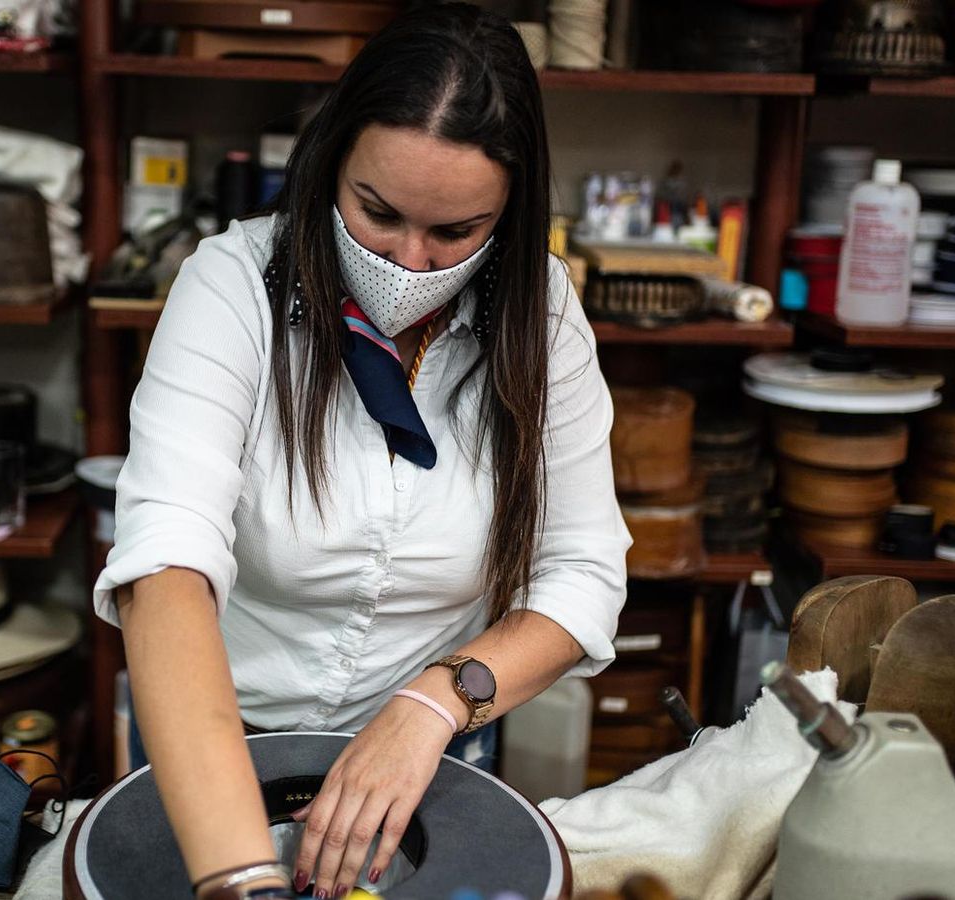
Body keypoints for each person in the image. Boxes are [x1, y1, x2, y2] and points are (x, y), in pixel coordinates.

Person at [92, 5, 630, 898]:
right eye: (377, 212)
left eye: (455, 233)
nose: (409, 262)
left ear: (509, 211)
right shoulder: (231, 289)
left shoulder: (540, 315)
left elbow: (584, 569)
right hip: (221, 746)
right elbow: (167, 561)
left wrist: (433, 702)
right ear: (331, 160)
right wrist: (243, 879)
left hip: (436, 753)